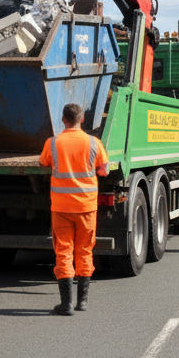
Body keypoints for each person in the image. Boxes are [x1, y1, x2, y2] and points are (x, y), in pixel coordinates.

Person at [39, 102, 109, 315]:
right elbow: (104, 170)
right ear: (82, 119)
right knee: (85, 250)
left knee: (63, 252)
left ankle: (66, 304)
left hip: (61, 208)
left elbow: (43, 163)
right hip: (86, 207)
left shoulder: (52, 143)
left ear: (63, 120)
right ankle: (83, 302)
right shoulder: (94, 143)